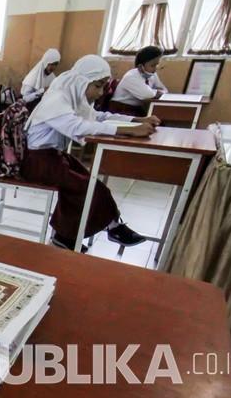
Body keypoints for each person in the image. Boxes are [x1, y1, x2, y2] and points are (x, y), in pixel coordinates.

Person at [22, 55, 161, 252]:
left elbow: (99, 117)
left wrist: (135, 122)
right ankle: (84, 232)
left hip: (52, 156)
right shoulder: (57, 98)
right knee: (85, 188)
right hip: (36, 161)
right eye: (98, 86)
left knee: (92, 184)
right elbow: (77, 126)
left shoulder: (72, 96)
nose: (100, 93)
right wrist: (125, 130)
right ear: (82, 81)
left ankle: (102, 227)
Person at [110, 45, 169, 116]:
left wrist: (156, 92)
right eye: (152, 65)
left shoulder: (152, 74)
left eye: (157, 65)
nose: (155, 68)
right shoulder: (131, 76)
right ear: (141, 66)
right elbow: (147, 95)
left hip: (137, 108)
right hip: (121, 109)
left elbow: (164, 90)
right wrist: (156, 92)